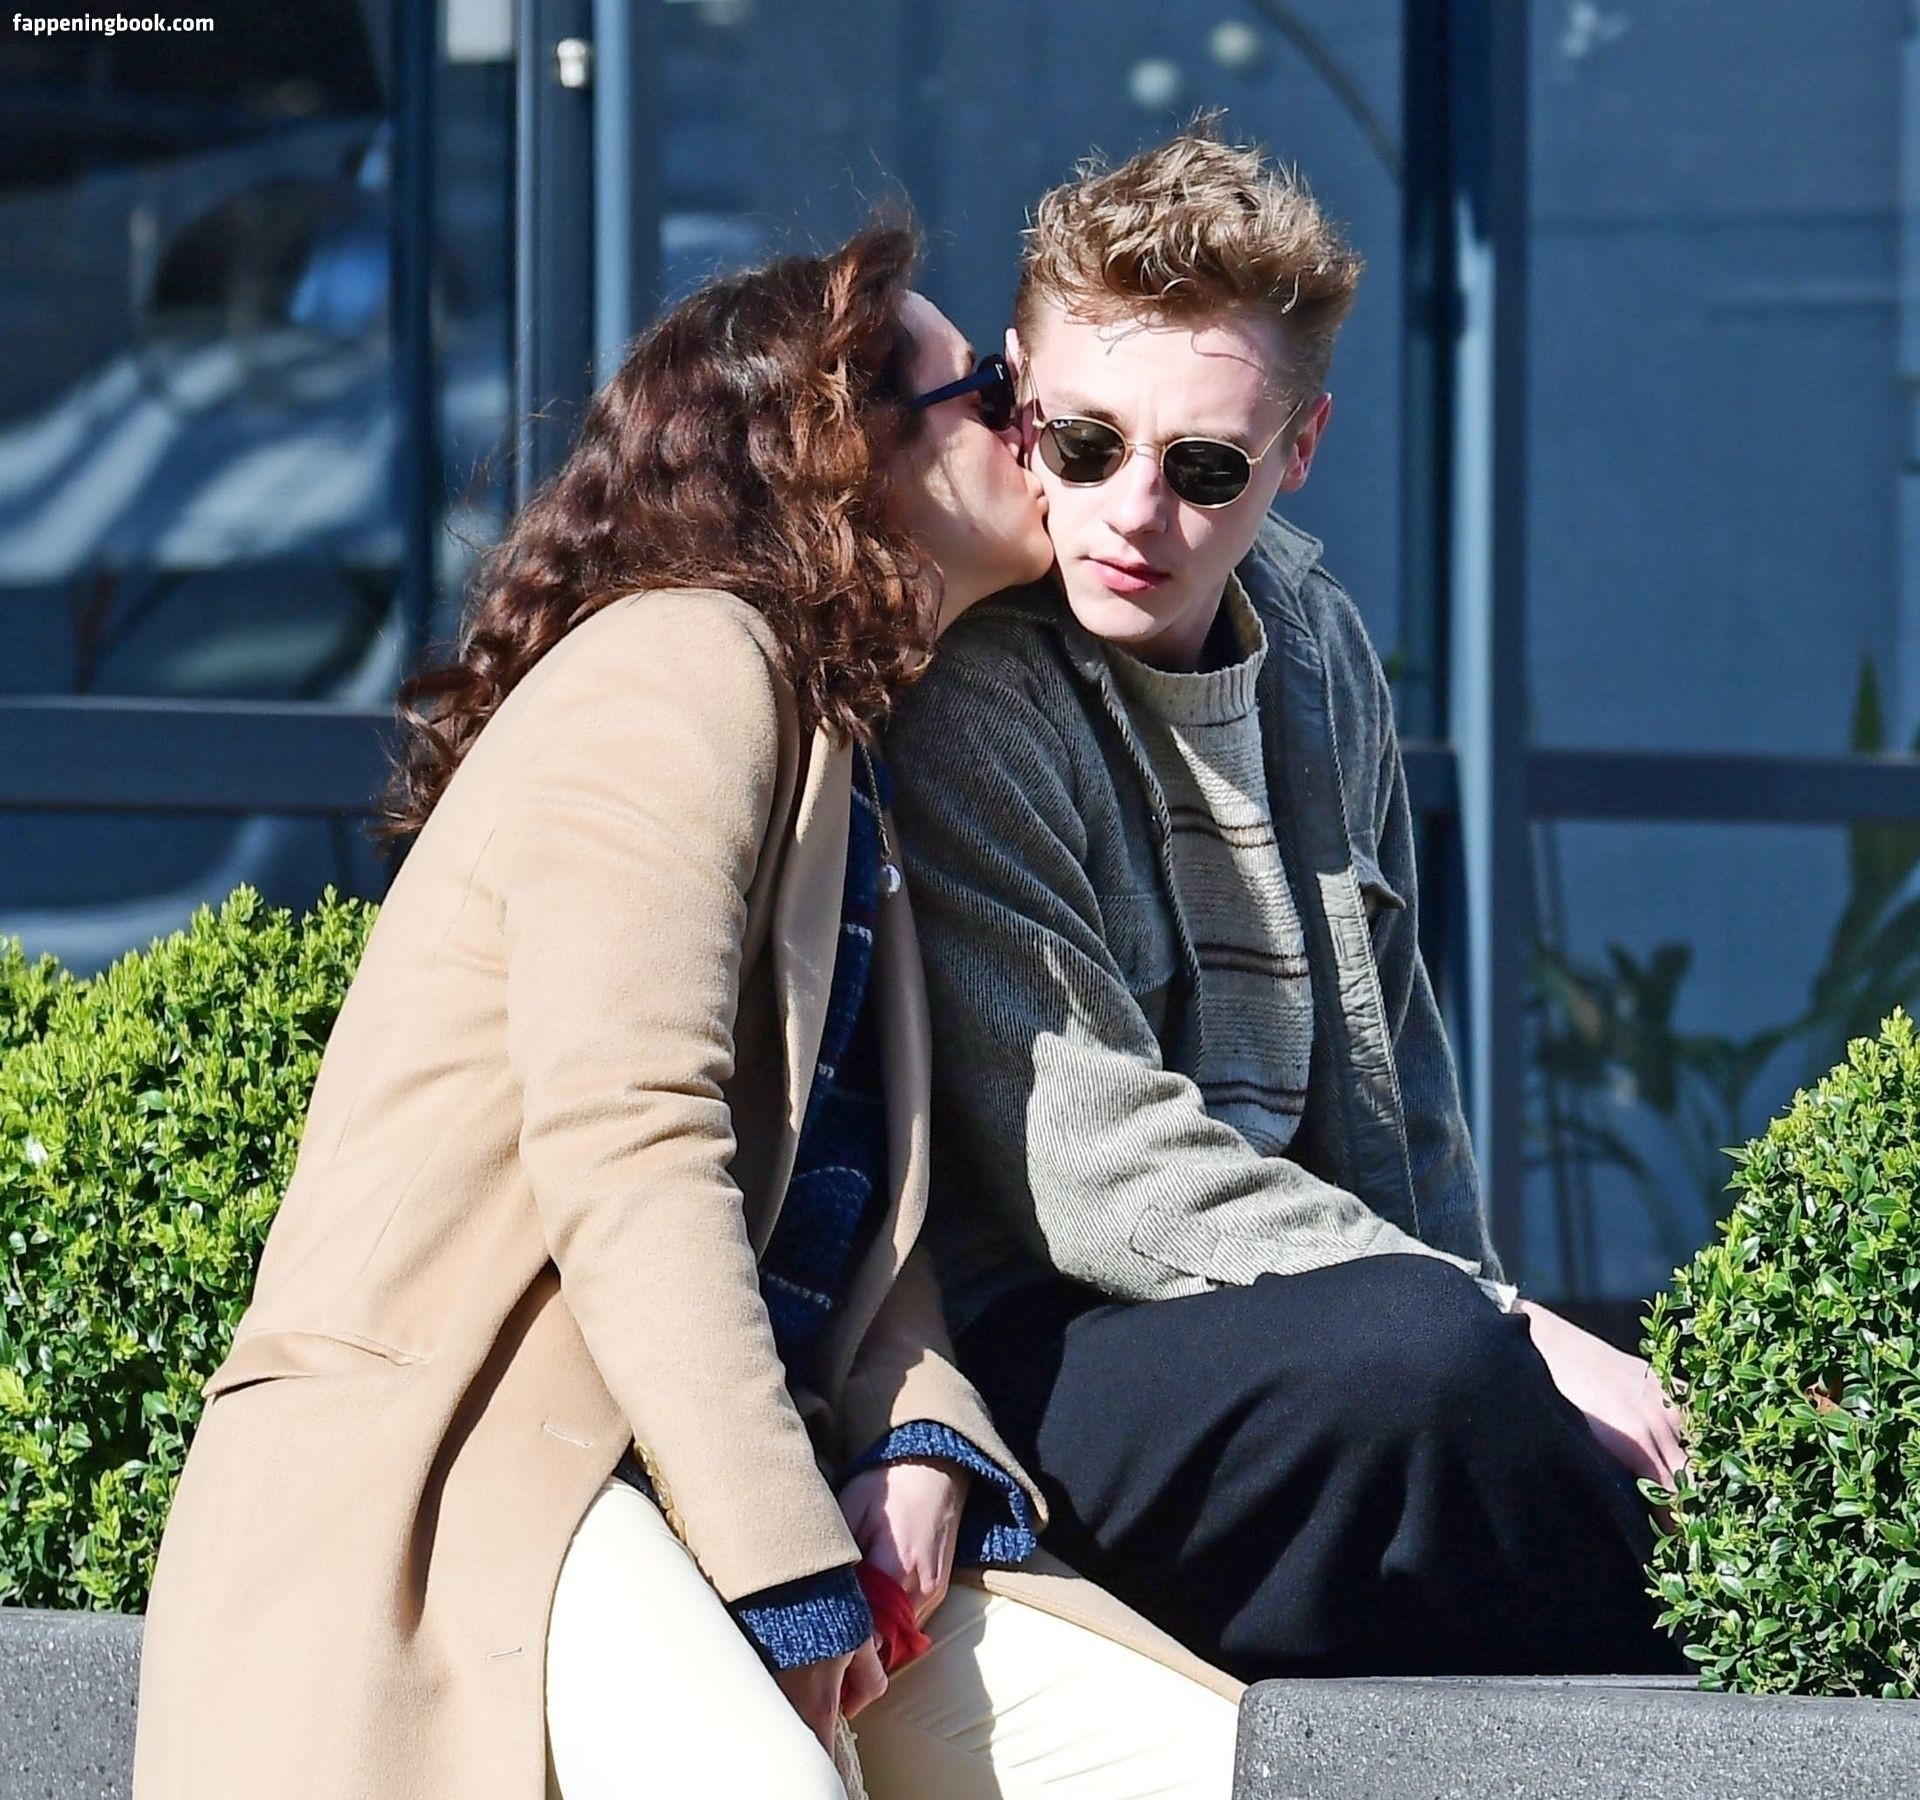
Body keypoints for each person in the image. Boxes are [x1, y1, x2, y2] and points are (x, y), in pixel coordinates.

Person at [132, 219, 1239, 1800]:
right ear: (841, 444)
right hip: (472, 1485)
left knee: (1200, 1768)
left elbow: (860, 1225)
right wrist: (787, 1574)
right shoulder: (683, 663)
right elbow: (630, 1139)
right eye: (990, 394)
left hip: (700, 1487)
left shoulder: (844, 751)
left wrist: (922, 1439)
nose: (1032, 425)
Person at [888, 127, 1689, 1682]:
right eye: (1082, 444)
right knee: (1435, 1365)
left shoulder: (1314, 651)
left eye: (1204, 469)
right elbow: (1093, 1174)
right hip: (1036, 1351)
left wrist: (1490, 1325)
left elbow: (1401, 1086)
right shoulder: (977, 688)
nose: (1134, 512)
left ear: (1299, 449)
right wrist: (1503, 1331)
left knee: (1473, 1391)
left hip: (1313, 1342)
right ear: (1016, 394)